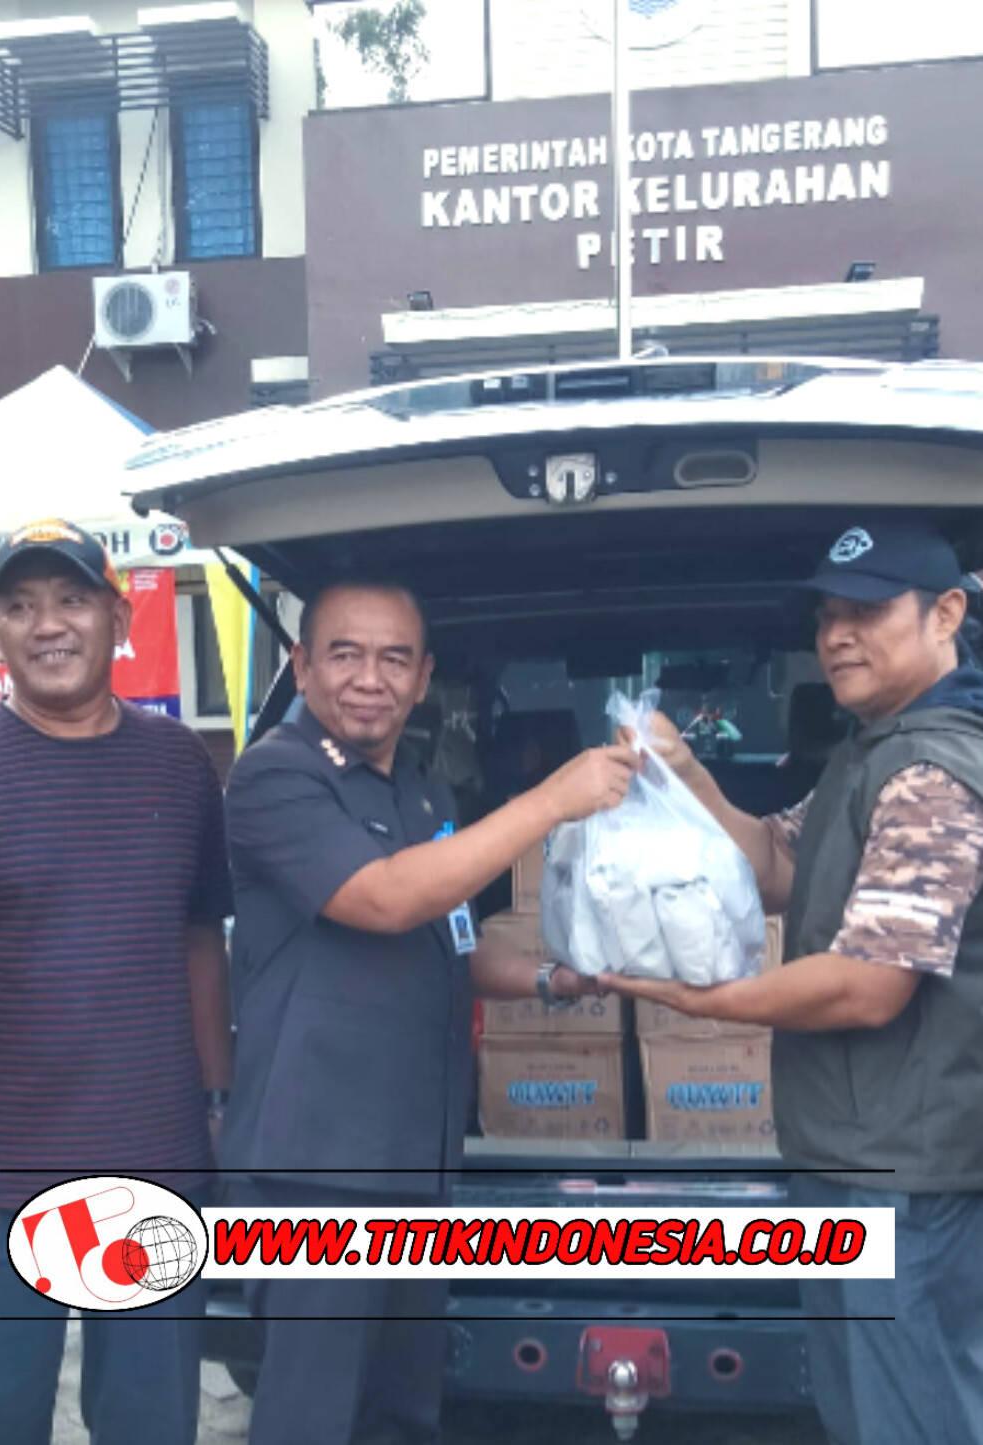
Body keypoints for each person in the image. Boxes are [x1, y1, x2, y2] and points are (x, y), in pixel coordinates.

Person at [601, 520, 983, 1445]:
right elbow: (774, 863)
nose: (837, 634)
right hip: (860, 1153)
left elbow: (866, 986)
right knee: (868, 1411)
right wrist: (686, 776)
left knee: (915, 1416)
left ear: (947, 613)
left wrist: (699, 1002)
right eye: (827, 616)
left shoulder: (936, 770)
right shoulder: (875, 749)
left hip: (914, 1175)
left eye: (868, 611)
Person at [222, 577, 636, 1445]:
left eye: (393, 658)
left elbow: (450, 938)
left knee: (402, 1413)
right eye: (344, 653)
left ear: (422, 678)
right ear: (300, 665)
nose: (369, 677)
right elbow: (383, 899)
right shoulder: (273, 777)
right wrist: (552, 800)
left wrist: (558, 980)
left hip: (415, 1165)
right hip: (318, 1177)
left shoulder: (422, 793)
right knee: (311, 1418)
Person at [0, 519, 234, 1445]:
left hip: (152, 1165)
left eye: (70, 599)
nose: (46, 624)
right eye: (18, 606)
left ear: (119, 615)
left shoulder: (181, 766)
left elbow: (200, 944)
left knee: (149, 1425)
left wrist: (217, 1105)